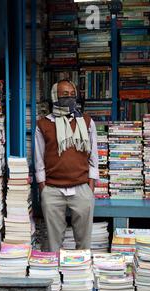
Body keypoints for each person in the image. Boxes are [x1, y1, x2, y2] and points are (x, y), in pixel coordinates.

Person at [34, 79, 98, 252]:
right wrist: (43, 189)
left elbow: (94, 158)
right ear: (55, 97)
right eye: (64, 95)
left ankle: (81, 275)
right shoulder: (43, 124)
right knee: (53, 244)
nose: (69, 98)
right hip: (53, 190)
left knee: (84, 242)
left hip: (82, 189)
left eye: (72, 95)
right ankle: (53, 276)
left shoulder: (86, 122)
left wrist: (90, 187)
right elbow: (39, 160)